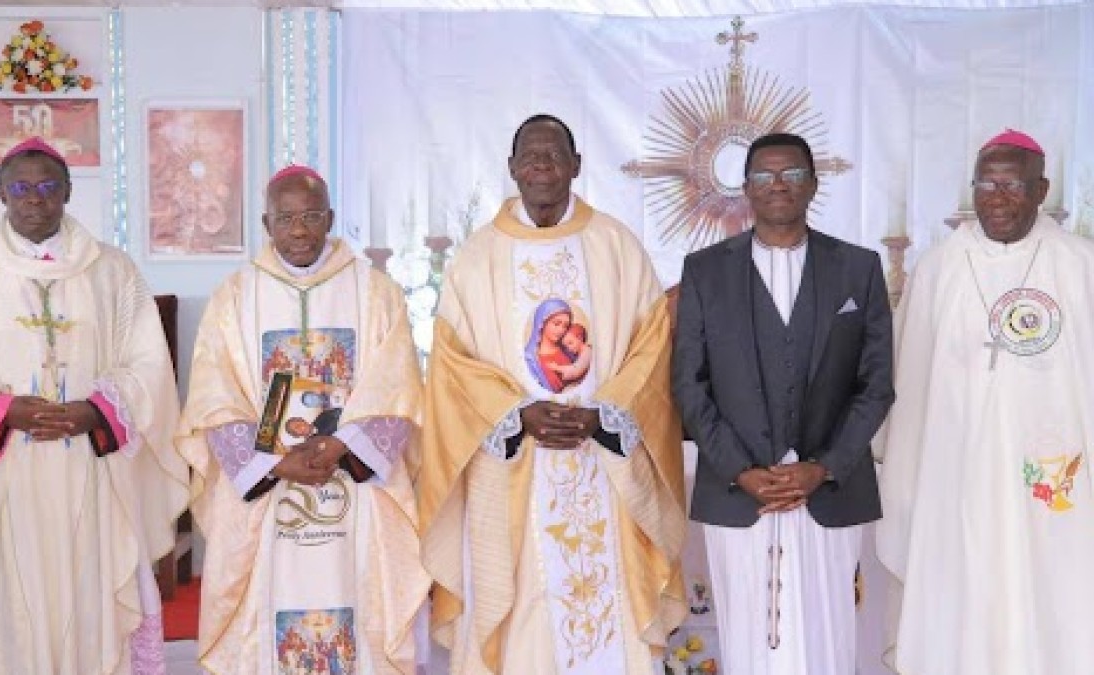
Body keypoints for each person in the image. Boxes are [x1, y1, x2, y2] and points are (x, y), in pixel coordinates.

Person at [0, 136, 188, 674]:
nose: (35, 199)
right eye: (22, 188)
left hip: (89, 473)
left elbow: (149, 368)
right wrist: (2, 410)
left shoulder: (112, 272)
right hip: (1, 480)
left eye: (48, 187)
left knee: (89, 595)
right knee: (5, 607)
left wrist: (95, 410)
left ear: (68, 193)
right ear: (2, 194)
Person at [418, 114, 687, 674]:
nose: (542, 165)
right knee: (515, 607)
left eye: (555, 154)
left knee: (607, 597)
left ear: (576, 166)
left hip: (603, 465)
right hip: (510, 464)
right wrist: (515, 414)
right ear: (513, 168)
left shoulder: (615, 245)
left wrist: (602, 413)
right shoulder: (478, 256)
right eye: (531, 156)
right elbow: (452, 365)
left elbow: (652, 348)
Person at [176, 165, 429, 674]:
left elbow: (397, 383)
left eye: (311, 216)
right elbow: (213, 394)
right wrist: (271, 464)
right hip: (270, 484)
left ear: (330, 218)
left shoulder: (377, 294)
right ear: (266, 223)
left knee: (358, 591)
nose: (298, 231)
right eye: (285, 218)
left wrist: (342, 446)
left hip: (355, 484)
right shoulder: (234, 298)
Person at [671, 132, 894, 674]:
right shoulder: (704, 271)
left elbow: (877, 383)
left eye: (791, 174)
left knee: (828, 635)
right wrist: (741, 469)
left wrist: (824, 467)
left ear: (813, 185)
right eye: (764, 175)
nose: (778, 186)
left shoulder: (857, 269)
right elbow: (688, 384)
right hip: (737, 491)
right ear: (744, 188)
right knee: (749, 638)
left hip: (829, 489)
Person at [877, 129, 1094, 674]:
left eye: (1012, 184)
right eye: (985, 183)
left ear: (1041, 189)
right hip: (957, 475)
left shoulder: (1079, 265)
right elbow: (910, 383)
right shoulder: (939, 268)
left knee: (1055, 589)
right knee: (960, 589)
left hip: (1054, 476)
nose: (997, 197)